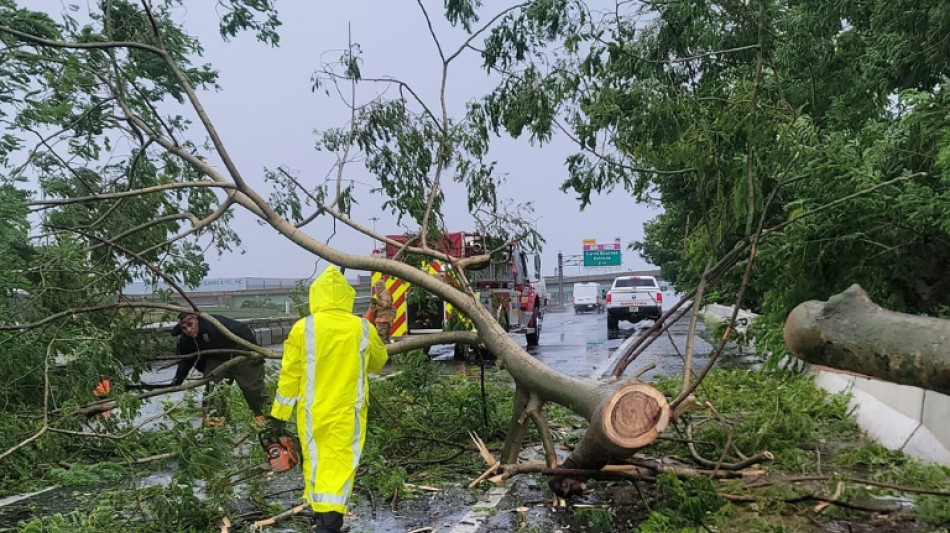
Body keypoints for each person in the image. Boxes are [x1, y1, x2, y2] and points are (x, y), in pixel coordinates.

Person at [268, 265, 388, 533]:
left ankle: (324, 522)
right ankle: (330, 525)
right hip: (348, 413)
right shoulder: (362, 328)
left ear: (316, 295)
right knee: (340, 466)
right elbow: (379, 362)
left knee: (316, 465)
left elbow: (290, 375)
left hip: (312, 413)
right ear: (346, 296)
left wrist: (279, 416)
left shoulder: (303, 328)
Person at [171, 312, 268, 425]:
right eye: (184, 328)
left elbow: (243, 329)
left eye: (190, 325)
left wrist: (250, 351)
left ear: (196, 320)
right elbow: (186, 361)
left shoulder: (213, 323)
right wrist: (178, 380)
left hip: (240, 354)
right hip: (216, 359)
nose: (188, 330)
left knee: (252, 389)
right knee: (214, 391)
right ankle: (214, 423)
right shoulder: (186, 339)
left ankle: (264, 419)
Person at [371, 279, 395, 343]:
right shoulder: (380, 294)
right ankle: (388, 348)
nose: (377, 288)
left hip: (384, 318)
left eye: (378, 286)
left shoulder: (385, 293)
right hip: (381, 318)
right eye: (376, 286)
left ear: (382, 286)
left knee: (381, 337)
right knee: (385, 337)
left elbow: (387, 304)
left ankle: (385, 348)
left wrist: (377, 302)